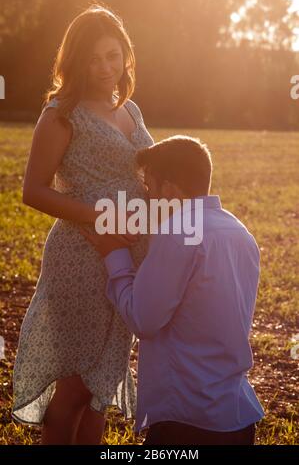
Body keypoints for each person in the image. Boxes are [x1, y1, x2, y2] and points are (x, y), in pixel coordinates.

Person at [12, 4, 154, 445]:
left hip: (129, 255)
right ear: (75, 60)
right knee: (74, 390)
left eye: (112, 55)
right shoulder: (61, 113)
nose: (105, 68)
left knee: (100, 390)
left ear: (125, 54)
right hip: (82, 255)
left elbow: (149, 175)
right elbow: (33, 191)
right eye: (93, 58)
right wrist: (102, 217)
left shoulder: (130, 109)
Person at [80, 135, 265, 445]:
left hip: (187, 418)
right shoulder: (239, 231)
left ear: (169, 190)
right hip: (236, 416)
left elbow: (144, 320)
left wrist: (114, 254)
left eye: (149, 187)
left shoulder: (178, 232)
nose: (147, 196)